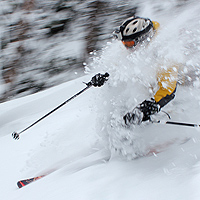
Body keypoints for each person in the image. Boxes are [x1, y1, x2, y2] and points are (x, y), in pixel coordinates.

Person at [91, 16, 178, 126]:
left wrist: (150, 106)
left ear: (143, 38)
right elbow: (122, 63)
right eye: (124, 44)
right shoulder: (142, 46)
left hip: (173, 97)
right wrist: (106, 76)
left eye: (129, 44)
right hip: (152, 88)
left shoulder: (165, 52)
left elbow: (168, 89)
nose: (127, 48)